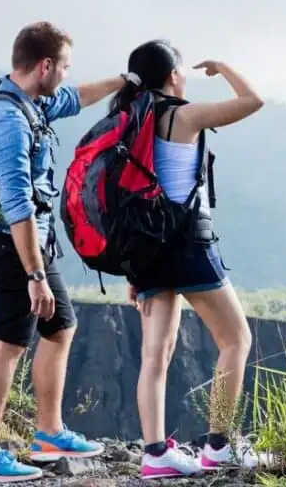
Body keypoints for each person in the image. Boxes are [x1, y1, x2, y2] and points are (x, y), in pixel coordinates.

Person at [0, 21, 131, 484]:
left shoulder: (30, 102)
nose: (68, 75)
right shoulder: (8, 119)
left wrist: (123, 82)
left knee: (60, 326)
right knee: (8, 344)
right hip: (11, 241)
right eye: (65, 66)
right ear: (45, 65)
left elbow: (75, 98)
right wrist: (34, 275)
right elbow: (16, 202)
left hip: (31, 241)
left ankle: (49, 433)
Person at [108, 40, 269, 480]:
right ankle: (218, 446)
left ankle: (155, 454)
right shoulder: (184, 114)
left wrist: (131, 266)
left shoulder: (129, 120)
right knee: (236, 339)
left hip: (146, 250)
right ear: (174, 75)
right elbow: (253, 101)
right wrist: (224, 66)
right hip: (188, 247)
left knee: (154, 355)